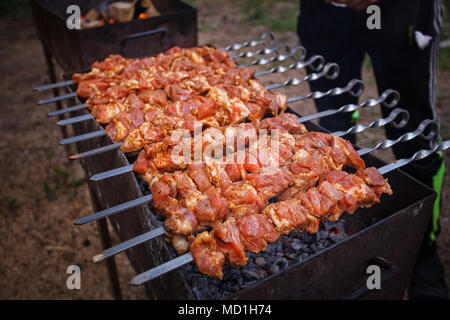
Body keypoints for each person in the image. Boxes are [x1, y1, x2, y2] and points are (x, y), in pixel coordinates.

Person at [297, 0, 448, 299]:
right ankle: (342, 239)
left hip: (400, 10)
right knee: (333, 130)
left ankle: (422, 251)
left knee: (415, 135)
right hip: (325, 10)